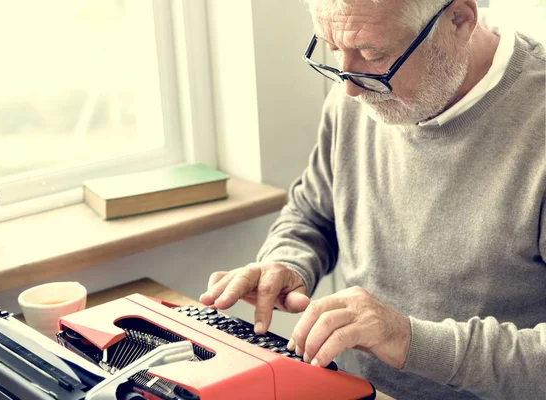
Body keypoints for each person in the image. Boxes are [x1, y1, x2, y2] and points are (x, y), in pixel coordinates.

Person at [200, 0, 545, 398]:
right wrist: (287, 261)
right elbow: (312, 214)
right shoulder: (361, 94)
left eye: (372, 54)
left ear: (459, 19)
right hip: (354, 389)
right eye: (332, 49)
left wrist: (409, 341)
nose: (347, 87)